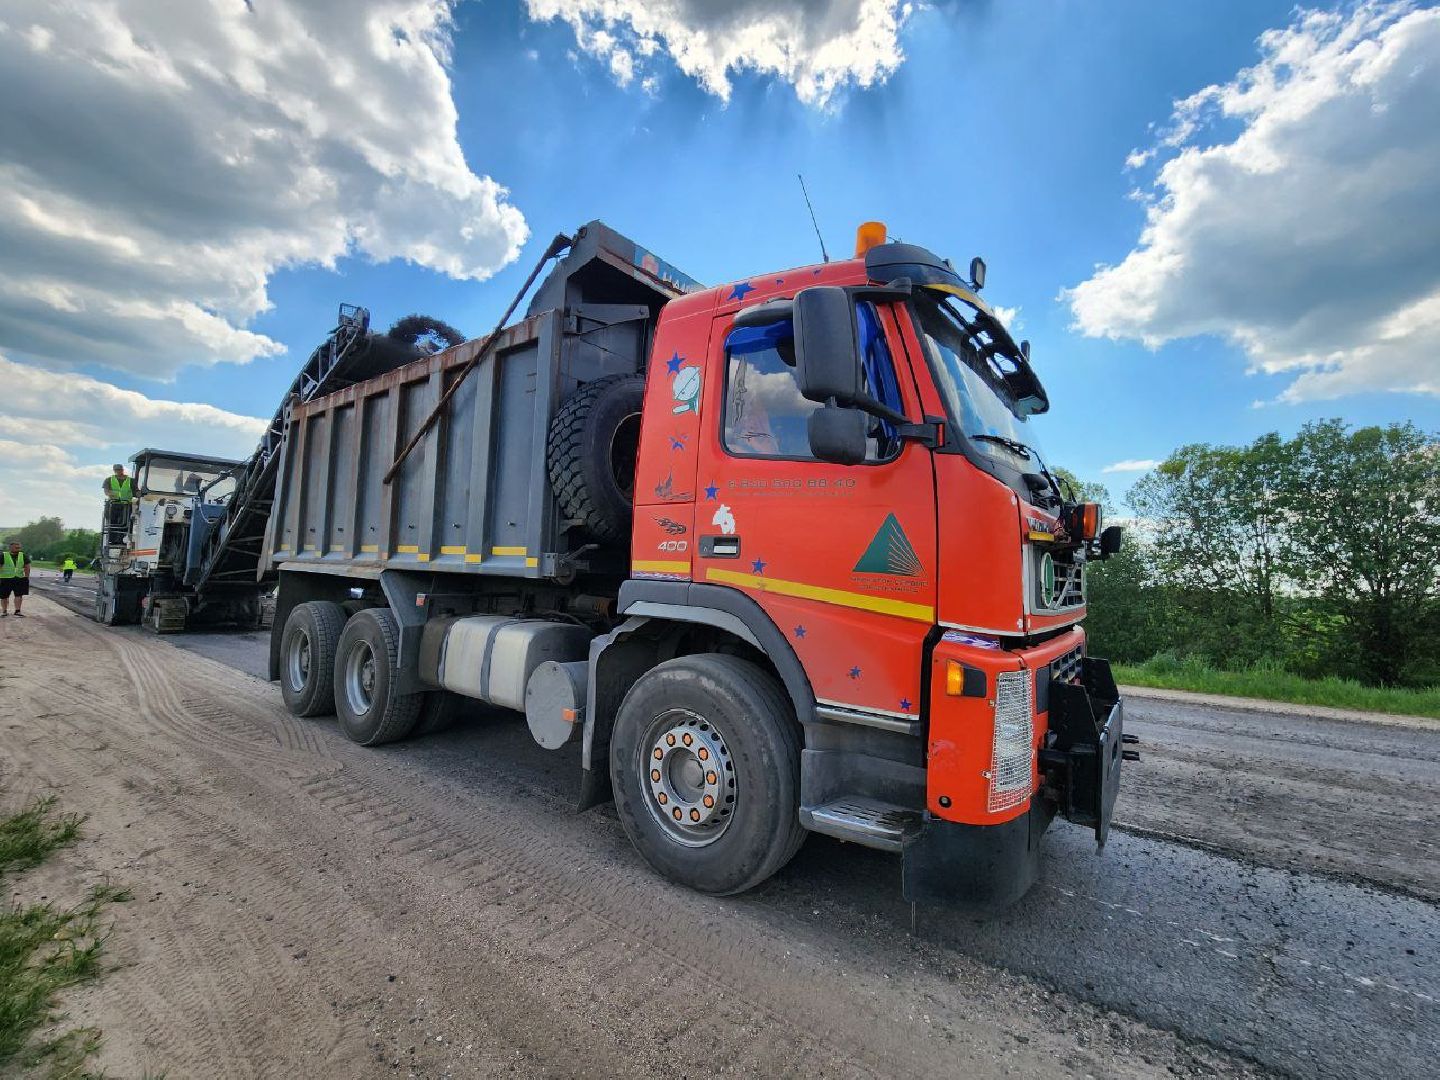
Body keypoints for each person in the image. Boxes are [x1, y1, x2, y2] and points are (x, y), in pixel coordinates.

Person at [103, 463, 134, 543]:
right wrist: (114, 495)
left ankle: (122, 541)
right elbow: (106, 492)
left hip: (126, 505)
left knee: (126, 523)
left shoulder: (131, 481)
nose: (118, 471)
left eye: (119, 470)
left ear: (122, 470)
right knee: (112, 523)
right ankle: (112, 540)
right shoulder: (108, 480)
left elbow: (135, 491)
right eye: (116, 470)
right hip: (113, 505)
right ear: (114, 470)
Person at [1, 540, 31, 617]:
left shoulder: (23, 555)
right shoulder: (3, 555)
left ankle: (17, 611)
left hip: (19, 578)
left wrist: (26, 577)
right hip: (5, 579)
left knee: (19, 595)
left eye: (19, 547)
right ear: (10, 547)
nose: (18, 549)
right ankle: (4, 611)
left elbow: (27, 566)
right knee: (4, 596)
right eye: (16, 547)